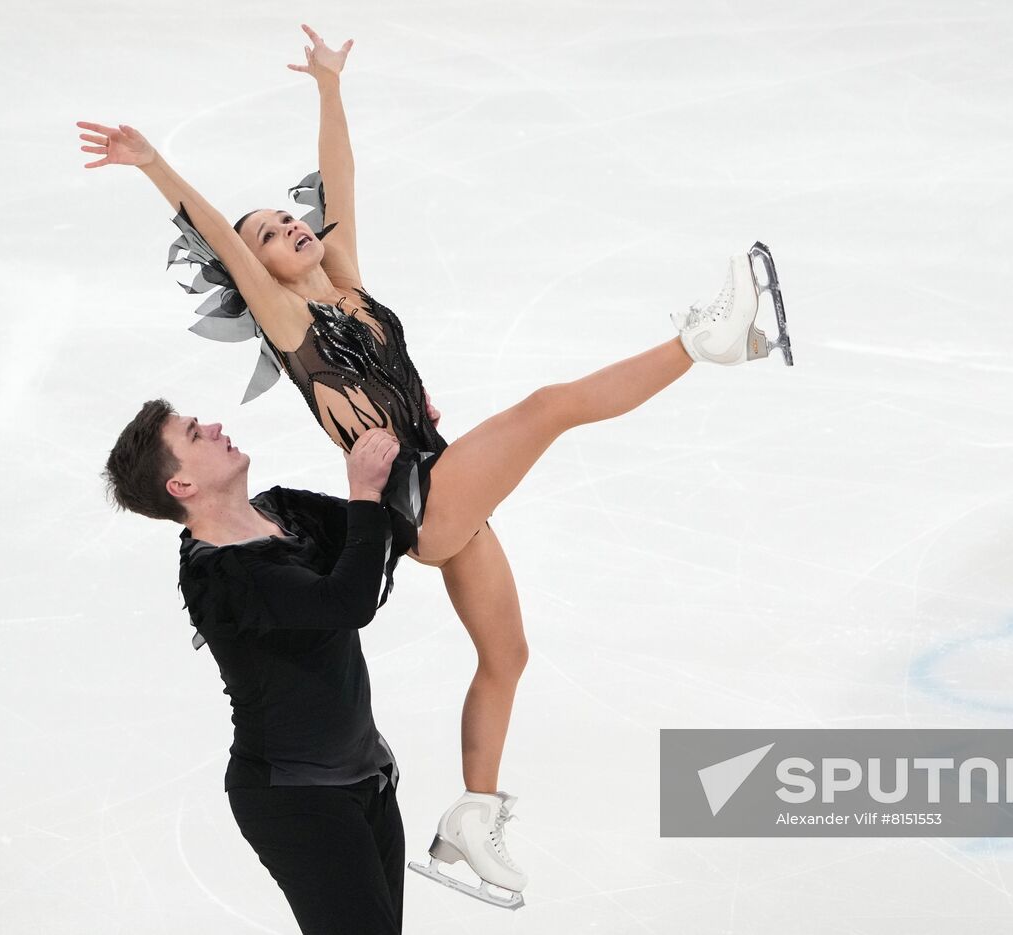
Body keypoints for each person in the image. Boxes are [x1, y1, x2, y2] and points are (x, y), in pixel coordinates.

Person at [78, 22, 792, 911]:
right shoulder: (291, 325)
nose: (289, 226)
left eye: (288, 218)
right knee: (548, 406)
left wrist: (329, 89)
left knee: (507, 653)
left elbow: (338, 179)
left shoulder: (346, 284)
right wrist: (156, 166)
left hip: (441, 473)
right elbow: (220, 238)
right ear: (256, 272)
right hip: (419, 498)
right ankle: (703, 340)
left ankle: (472, 818)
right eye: (269, 233)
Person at [102, 400, 410, 933]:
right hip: (296, 800)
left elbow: (389, 531)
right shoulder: (220, 576)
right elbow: (347, 601)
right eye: (194, 434)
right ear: (181, 485)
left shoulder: (283, 510)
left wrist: (403, 440)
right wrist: (362, 490)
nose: (214, 427)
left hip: (368, 776)